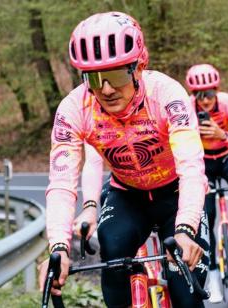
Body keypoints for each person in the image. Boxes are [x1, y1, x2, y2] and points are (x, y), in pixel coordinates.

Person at [37, 12, 210, 308]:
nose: (105, 89)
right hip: (127, 195)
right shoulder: (74, 109)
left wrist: (185, 227)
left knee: (186, 295)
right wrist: (58, 247)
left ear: (138, 66)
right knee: (113, 252)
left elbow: (192, 167)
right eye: (94, 78)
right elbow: (62, 183)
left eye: (116, 75)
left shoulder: (167, 94)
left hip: (176, 192)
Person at [185, 63, 228, 303]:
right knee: (207, 216)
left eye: (209, 94)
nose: (204, 101)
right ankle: (213, 273)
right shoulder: (187, 111)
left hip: (226, 154)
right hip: (203, 160)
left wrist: (220, 134)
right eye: (199, 95)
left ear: (217, 90)